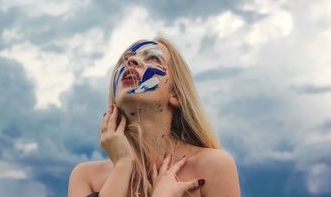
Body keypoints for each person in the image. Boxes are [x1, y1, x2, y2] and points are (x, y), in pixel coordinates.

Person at [68, 37, 241, 197]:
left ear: (176, 95)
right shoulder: (85, 176)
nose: (131, 61)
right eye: (125, 59)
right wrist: (122, 165)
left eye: (153, 58)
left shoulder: (212, 165)